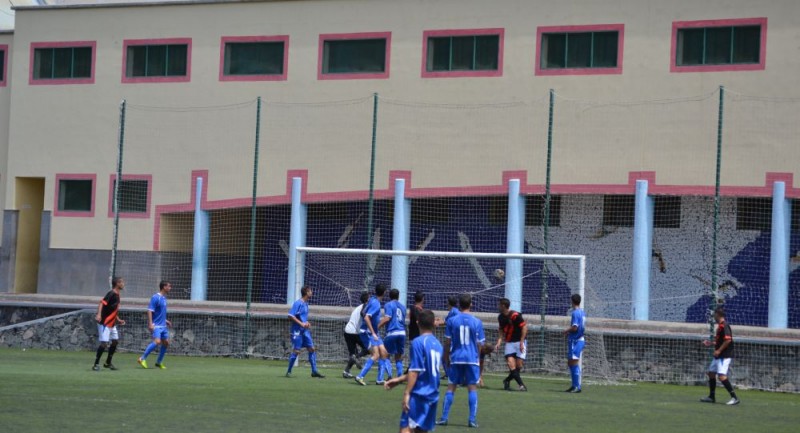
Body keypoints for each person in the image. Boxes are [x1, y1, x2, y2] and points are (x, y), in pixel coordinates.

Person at [384, 309, 443, 433]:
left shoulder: (418, 343)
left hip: (419, 396)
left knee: (405, 430)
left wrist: (406, 394)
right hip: (433, 396)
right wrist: (399, 379)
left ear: (417, 323)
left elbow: (415, 372)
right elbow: (423, 371)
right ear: (433, 323)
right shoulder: (438, 345)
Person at [436, 294, 484, 428]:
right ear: (471, 305)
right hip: (472, 359)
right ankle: (472, 420)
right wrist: (477, 358)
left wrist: (446, 356)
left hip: (456, 358)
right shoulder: (477, 322)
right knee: (472, 388)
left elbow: (447, 341)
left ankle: (444, 418)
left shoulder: (452, 320)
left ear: (459, 305)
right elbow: (480, 344)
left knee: (451, 387)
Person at [701, 307, 740, 405]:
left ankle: (734, 398)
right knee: (711, 373)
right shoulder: (720, 326)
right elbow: (721, 341)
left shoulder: (725, 326)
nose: (713, 316)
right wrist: (710, 343)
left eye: (714, 314)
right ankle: (711, 396)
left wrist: (718, 350)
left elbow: (728, 340)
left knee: (722, 376)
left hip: (724, 355)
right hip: (719, 355)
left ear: (718, 315)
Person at [286, 286, 325, 378]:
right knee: (296, 351)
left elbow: (302, 317)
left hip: (305, 331)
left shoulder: (306, 304)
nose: (312, 292)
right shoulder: (297, 303)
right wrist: (301, 324)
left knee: (312, 349)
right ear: (306, 292)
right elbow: (290, 315)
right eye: (310, 291)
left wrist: (306, 323)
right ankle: (289, 371)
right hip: (297, 331)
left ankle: (314, 371)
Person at [356, 283, 390, 385]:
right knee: (375, 355)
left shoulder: (372, 300)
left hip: (374, 333)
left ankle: (379, 379)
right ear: (384, 293)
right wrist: (372, 332)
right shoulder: (376, 303)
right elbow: (366, 317)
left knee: (384, 353)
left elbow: (363, 313)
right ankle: (360, 376)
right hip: (368, 333)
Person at [92, 276, 126, 371]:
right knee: (104, 344)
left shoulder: (118, 294)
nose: (123, 284)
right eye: (122, 282)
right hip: (105, 323)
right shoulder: (111, 293)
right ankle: (96, 364)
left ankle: (108, 362)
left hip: (112, 323)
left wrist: (118, 319)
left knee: (115, 341)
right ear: (117, 284)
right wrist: (99, 315)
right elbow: (102, 303)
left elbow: (113, 310)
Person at [495, 297, 528, 391]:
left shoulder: (515, 315)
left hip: (520, 342)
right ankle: (521, 385)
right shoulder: (500, 317)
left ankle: (506, 380)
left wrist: (521, 342)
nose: (498, 306)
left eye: (499, 305)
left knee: (519, 366)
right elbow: (501, 330)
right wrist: (499, 342)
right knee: (511, 364)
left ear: (503, 306)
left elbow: (524, 328)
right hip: (509, 343)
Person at [138, 280, 172, 370]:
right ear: (164, 287)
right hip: (156, 325)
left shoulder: (164, 298)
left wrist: (166, 320)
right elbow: (150, 310)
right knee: (157, 341)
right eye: (169, 286)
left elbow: (159, 313)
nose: (170, 288)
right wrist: (150, 323)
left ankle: (159, 362)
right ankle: (142, 358)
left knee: (166, 343)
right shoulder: (155, 297)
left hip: (163, 325)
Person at [381, 288, 407, 379]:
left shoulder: (388, 305)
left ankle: (390, 375)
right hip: (402, 333)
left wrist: (376, 327)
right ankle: (399, 375)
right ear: (398, 297)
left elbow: (387, 318)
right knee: (398, 356)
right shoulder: (403, 307)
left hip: (392, 332)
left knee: (385, 354)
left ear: (389, 296)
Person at [343, 291, 369, 378]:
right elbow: (363, 313)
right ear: (367, 299)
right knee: (368, 348)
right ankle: (357, 357)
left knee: (352, 353)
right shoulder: (365, 306)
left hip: (347, 331)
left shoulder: (358, 307)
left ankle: (346, 372)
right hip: (355, 332)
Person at [563, 294, 585, 393]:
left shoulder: (575, 313)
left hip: (576, 341)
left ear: (572, 301)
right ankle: (574, 385)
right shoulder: (582, 312)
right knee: (571, 362)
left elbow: (575, 327)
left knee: (573, 362)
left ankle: (577, 386)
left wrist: (566, 331)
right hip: (578, 340)